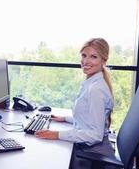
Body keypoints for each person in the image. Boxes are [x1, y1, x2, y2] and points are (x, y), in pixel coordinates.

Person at [35, 38, 115, 168]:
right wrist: (65, 119)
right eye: (84, 55)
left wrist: (57, 134)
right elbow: (88, 119)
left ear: (104, 60)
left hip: (94, 158)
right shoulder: (92, 82)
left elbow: (95, 135)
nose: (86, 61)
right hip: (89, 152)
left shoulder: (96, 90)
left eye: (93, 57)